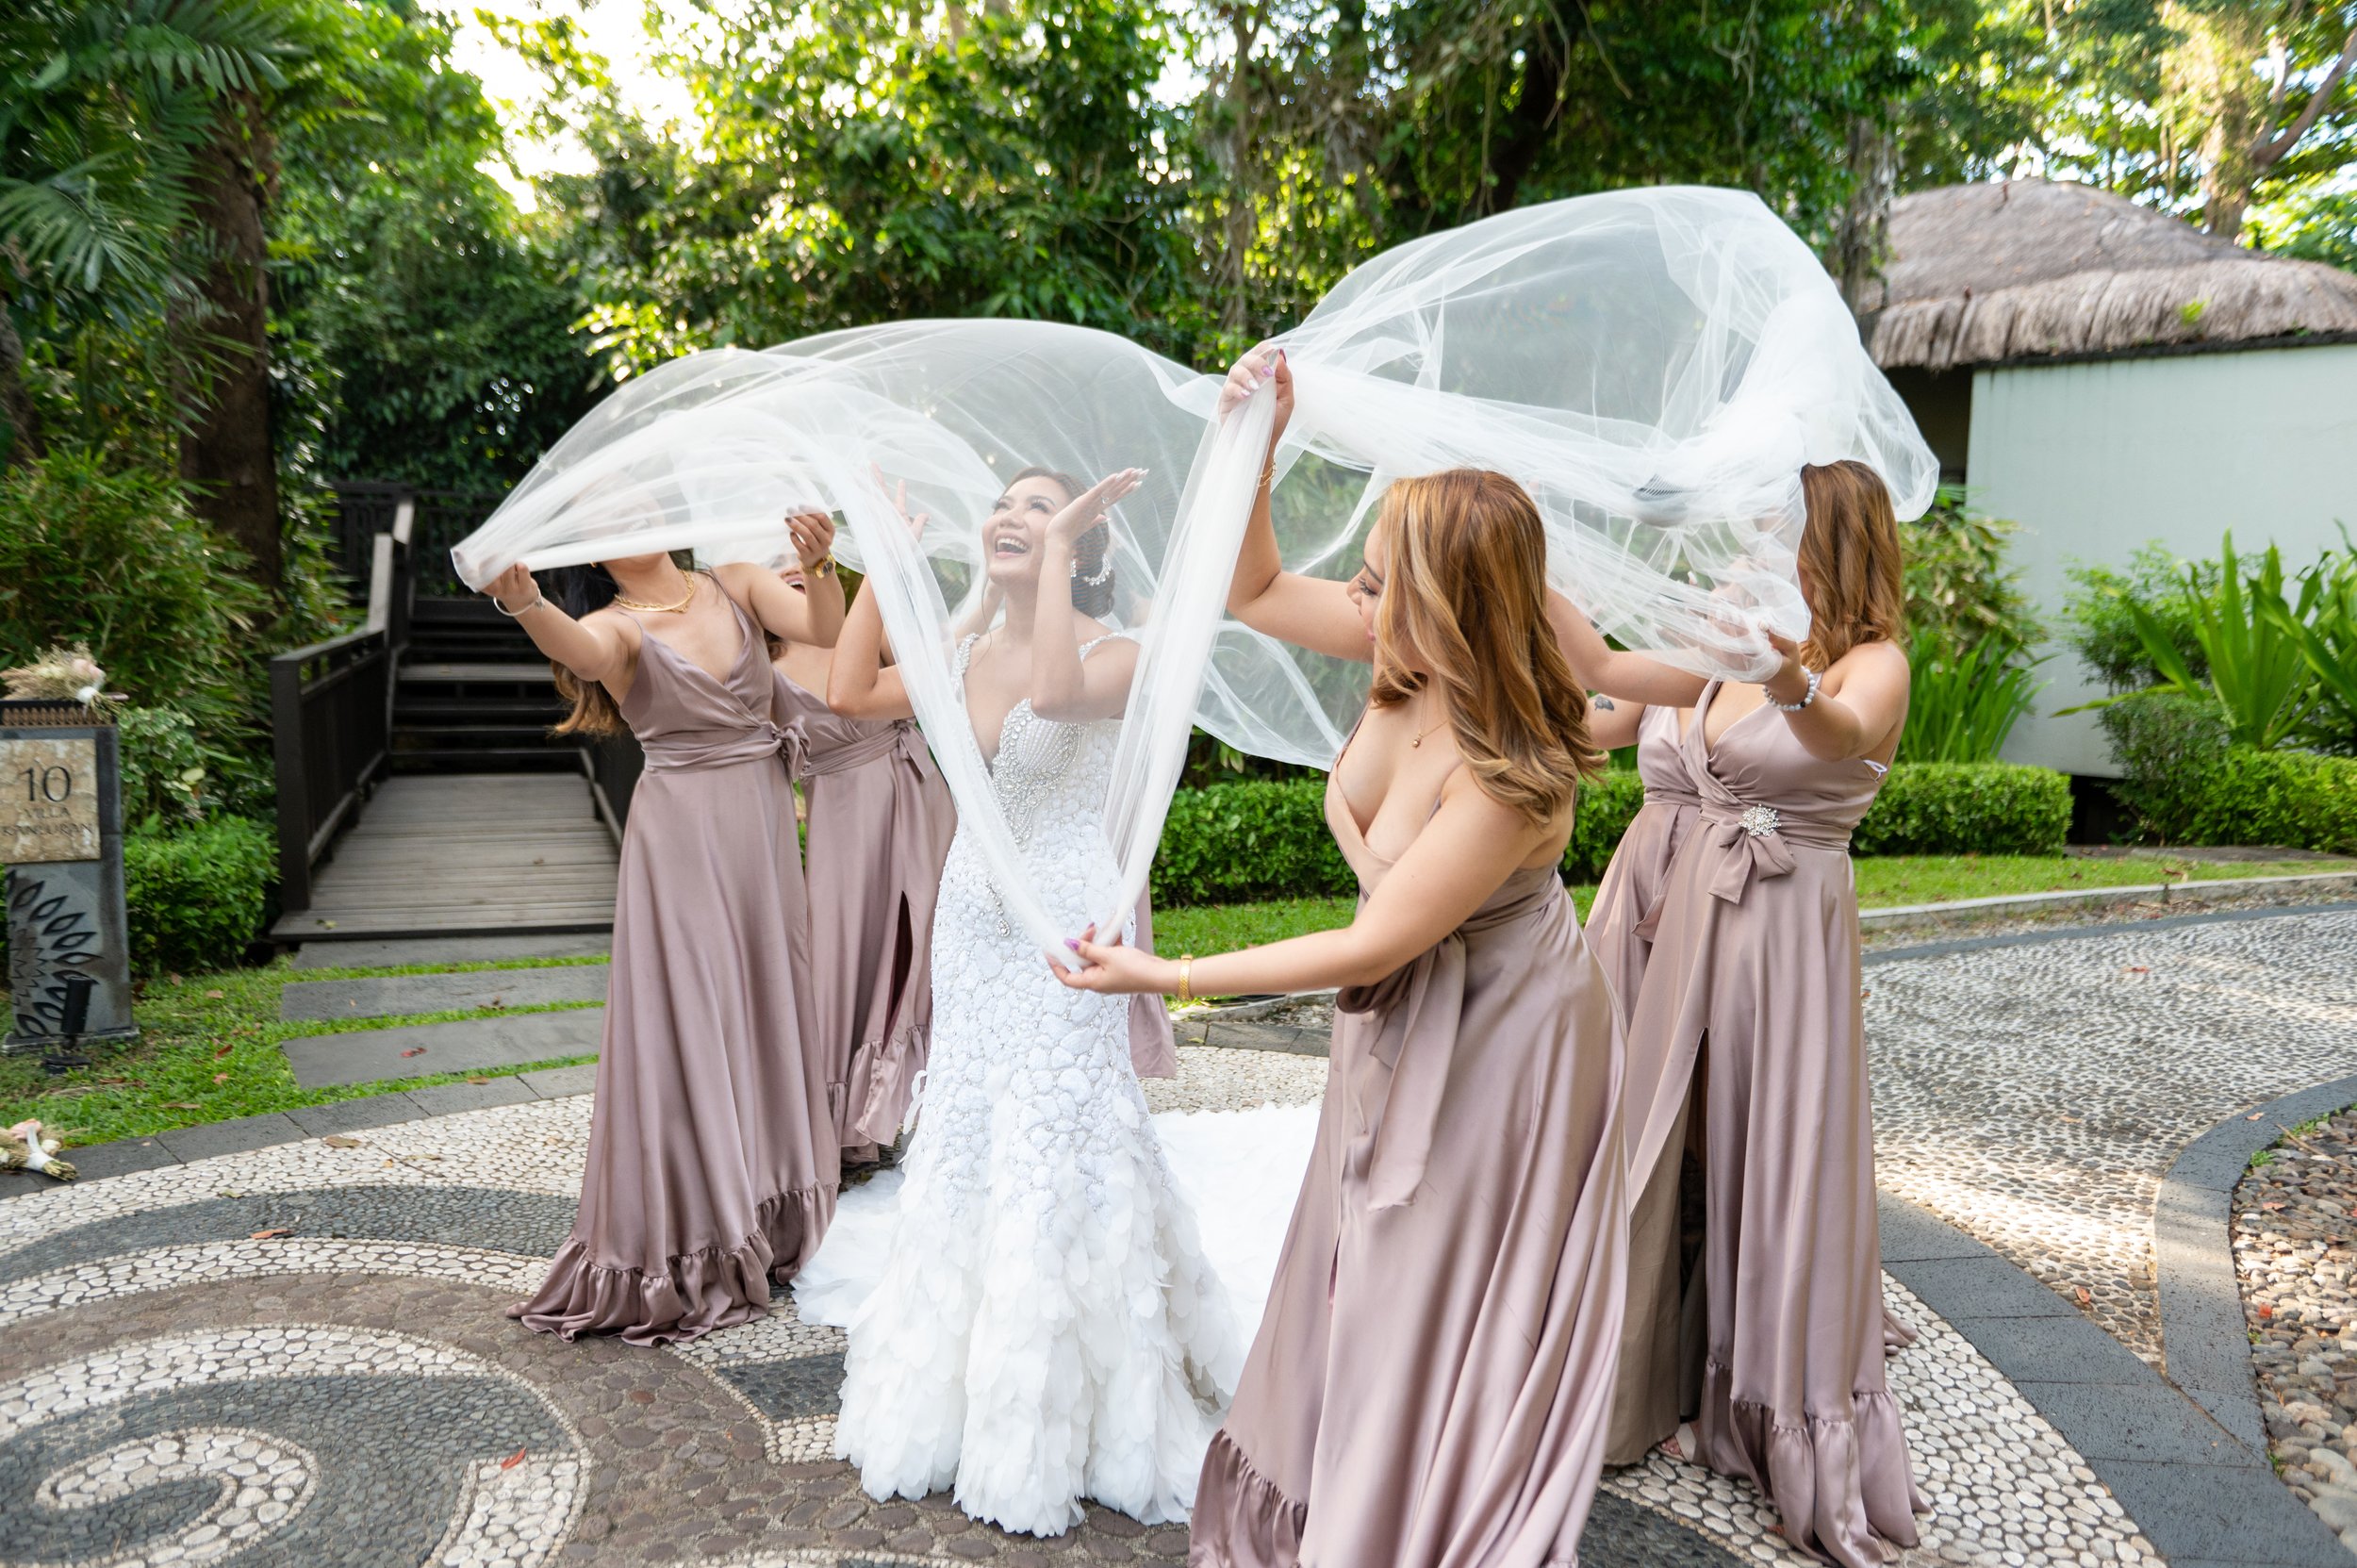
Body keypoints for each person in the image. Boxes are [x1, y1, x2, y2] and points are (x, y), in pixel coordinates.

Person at [1060, 348, 1633, 1568]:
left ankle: (1420, 1514)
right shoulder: (1400, 656)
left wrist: (1162, 976)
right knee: (1358, 1250)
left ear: (1455, 594)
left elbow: (1375, 938)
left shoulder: (1506, 770)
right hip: (1405, 1010)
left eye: (1386, 575)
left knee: (1430, 1271)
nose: (1361, 593)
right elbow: (1259, 585)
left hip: (1502, 1031)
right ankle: (1337, 1478)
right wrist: (1256, 445)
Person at [804, 464, 1234, 1538]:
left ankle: (1071, 1400)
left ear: (1083, 547)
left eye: (1041, 508)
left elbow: (1051, 694)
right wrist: (883, 575)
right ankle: (956, 1382)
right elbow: (848, 696)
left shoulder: (1120, 653)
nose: (1009, 513)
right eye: (1003, 502)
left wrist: (1051, 561)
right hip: (972, 920)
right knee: (970, 1124)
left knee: (1062, 1132)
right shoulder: (955, 653)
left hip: (1067, 921)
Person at [1609, 458, 1924, 1566]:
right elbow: (1602, 676)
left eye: (1772, 522)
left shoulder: (1873, 663)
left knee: (1771, 1151)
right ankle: (1666, 1355)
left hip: (1784, 934)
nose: (1747, 536)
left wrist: (1781, 669)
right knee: (1677, 1136)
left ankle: (1770, 1405)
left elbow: (1839, 735)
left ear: (1827, 540)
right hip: (1693, 910)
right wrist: (1532, 561)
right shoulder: (1726, 639)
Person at [483, 518, 844, 1345]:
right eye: (607, 522)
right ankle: (701, 1232)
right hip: (679, 835)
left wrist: (819, 563)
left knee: (765, 999)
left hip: (757, 825)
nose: (630, 525)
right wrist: (526, 600)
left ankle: (777, 1209)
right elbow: (581, 652)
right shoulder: (618, 625)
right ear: (591, 551)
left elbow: (823, 627)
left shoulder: (736, 580)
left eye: (639, 507)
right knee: (692, 1010)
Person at [766, 535, 957, 1164]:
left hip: (921, 793)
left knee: (927, 941)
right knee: (846, 954)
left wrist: (895, 570)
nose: (789, 568)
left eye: (796, 558)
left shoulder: (859, 626)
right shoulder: (756, 669)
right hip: (843, 823)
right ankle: (842, 1121)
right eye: (773, 565)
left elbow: (930, 670)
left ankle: (929, 1101)